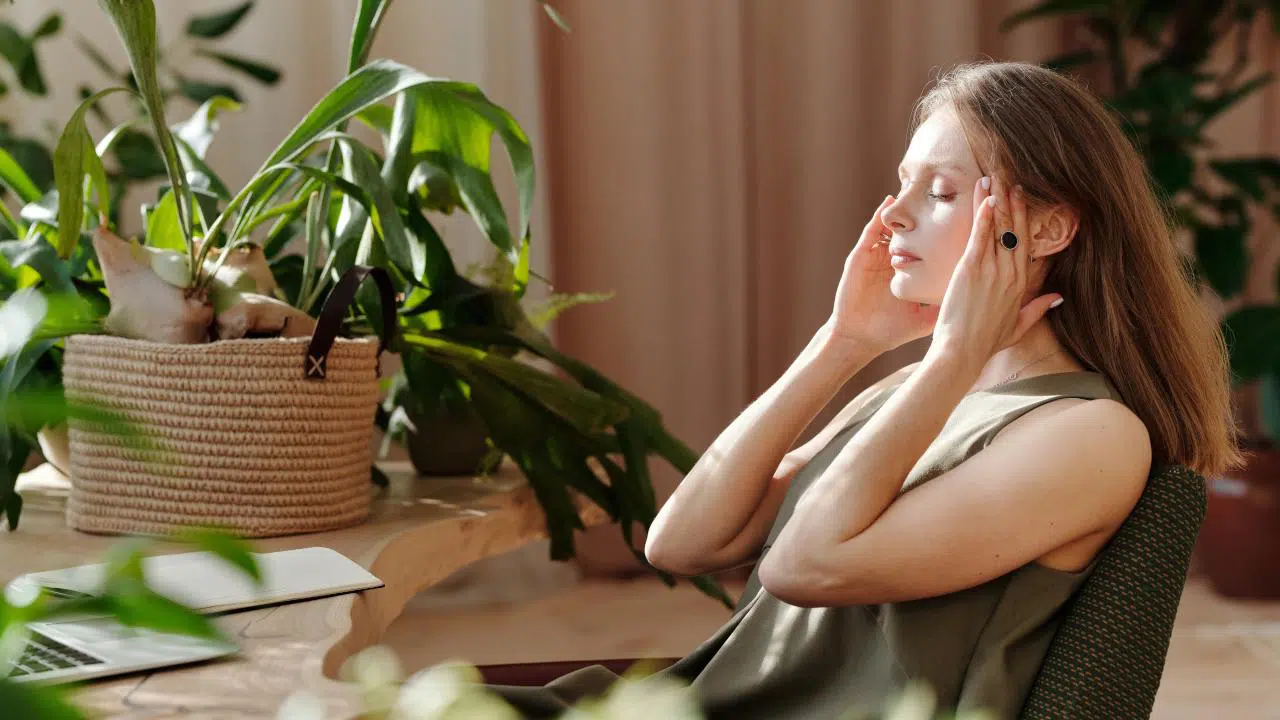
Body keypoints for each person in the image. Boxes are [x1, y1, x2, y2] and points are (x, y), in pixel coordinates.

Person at [490, 60, 1242, 719]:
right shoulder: (916, 391)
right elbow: (682, 542)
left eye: (940, 191)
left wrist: (949, 359)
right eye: (900, 185)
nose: (893, 216)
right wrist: (841, 344)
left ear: (1044, 232)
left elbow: (803, 567)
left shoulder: (1087, 435)